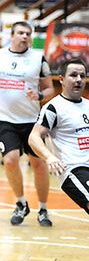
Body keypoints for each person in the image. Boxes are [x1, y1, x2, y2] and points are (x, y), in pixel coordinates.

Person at [0, 21, 55, 227]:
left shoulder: (38, 59)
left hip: (31, 121)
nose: (24, 36)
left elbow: (50, 90)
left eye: (27, 33)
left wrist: (38, 95)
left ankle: (44, 208)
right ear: (11, 35)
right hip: (5, 119)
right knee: (11, 160)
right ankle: (21, 204)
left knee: (38, 164)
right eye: (20, 32)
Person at [29, 59, 89, 215]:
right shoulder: (54, 108)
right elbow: (34, 137)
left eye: (82, 76)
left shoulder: (88, 105)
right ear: (61, 79)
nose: (78, 80)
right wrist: (49, 157)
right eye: (73, 75)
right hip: (74, 169)